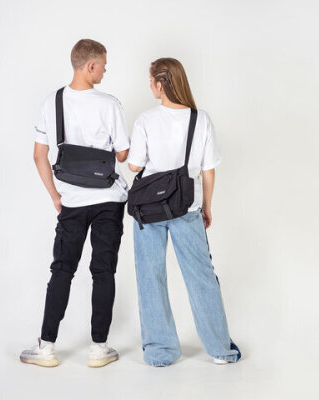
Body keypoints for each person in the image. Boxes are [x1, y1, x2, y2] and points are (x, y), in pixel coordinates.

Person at [20, 39, 130, 368]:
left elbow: (39, 155)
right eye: (103, 65)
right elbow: (123, 154)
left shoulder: (52, 102)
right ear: (90, 66)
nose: (105, 70)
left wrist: (55, 195)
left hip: (72, 200)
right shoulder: (109, 104)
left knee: (62, 270)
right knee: (103, 271)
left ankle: (46, 348)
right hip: (109, 199)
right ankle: (99, 349)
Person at [127, 57, 241, 367]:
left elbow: (134, 166)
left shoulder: (146, 120)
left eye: (151, 81)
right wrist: (207, 206)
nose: (150, 86)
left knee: (151, 278)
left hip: (148, 212)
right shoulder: (200, 119)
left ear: (160, 85)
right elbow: (208, 170)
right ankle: (220, 349)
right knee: (201, 276)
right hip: (188, 208)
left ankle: (160, 352)